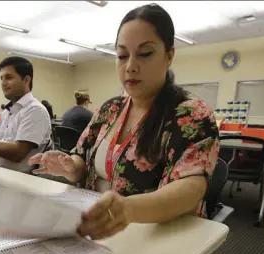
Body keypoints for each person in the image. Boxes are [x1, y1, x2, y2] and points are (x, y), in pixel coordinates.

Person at [29, 4, 219, 240]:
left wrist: (128, 210)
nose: (130, 66)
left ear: (169, 56)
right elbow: (82, 156)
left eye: (145, 53)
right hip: (94, 228)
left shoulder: (190, 115)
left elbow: (190, 189)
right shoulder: (110, 109)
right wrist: (71, 166)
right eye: (122, 56)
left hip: (154, 235)